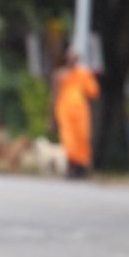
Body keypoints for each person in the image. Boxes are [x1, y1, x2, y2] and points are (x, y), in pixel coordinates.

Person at [54, 48, 100, 179]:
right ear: (66, 59)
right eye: (70, 58)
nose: (72, 61)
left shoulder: (83, 74)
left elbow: (93, 92)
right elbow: (55, 94)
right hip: (64, 112)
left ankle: (82, 168)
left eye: (74, 58)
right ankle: (71, 167)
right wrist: (51, 116)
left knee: (82, 138)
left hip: (80, 112)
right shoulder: (61, 75)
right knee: (68, 140)